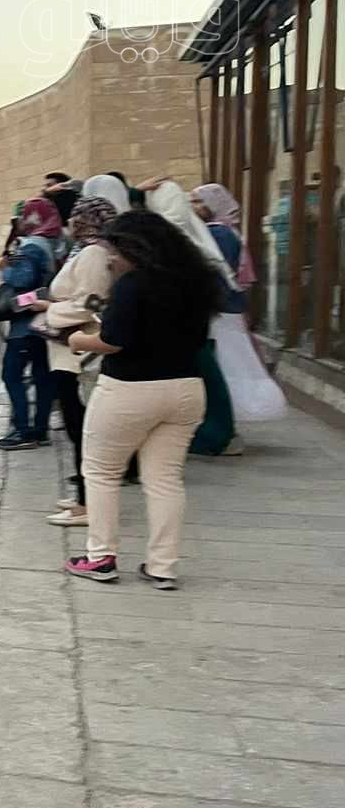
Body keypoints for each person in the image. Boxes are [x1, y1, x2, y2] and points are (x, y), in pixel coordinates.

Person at [65, 211, 225, 590]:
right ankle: (163, 566)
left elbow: (113, 341)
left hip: (129, 389)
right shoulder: (196, 283)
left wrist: (76, 340)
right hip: (186, 389)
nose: (111, 258)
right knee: (165, 480)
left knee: (101, 472)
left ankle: (100, 556)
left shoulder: (133, 284)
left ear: (137, 248)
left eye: (115, 250)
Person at [30, 195, 119, 526]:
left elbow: (92, 303)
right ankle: (83, 495)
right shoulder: (87, 250)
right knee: (76, 426)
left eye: (75, 216)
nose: (69, 222)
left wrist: (49, 308)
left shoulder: (94, 253)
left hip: (78, 353)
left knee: (81, 428)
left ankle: (88, 504)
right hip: (69, 350)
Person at [142, 180, 240, 457]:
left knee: (203, 379)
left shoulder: (179, 236)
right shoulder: (189, 234)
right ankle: (213, 434)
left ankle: (215, 436)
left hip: (187, 321)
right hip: (193, 321)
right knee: (202, 380)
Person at [191, 184, 286, 424]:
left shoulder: (218, 234)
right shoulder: (224, 232)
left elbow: (215, 272)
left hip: (220, 310)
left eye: (198, 202)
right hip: (225, 308)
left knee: (227, 363)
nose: (193, 207)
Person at [0, 197, 61, 450]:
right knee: (43, 377)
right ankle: (40, 430)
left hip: (25, 324)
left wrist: (5, 268)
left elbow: (22, 279)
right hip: (45, 323)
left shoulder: (32, 245)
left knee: (11, 374)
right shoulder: (55, 243)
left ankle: (23, 430)